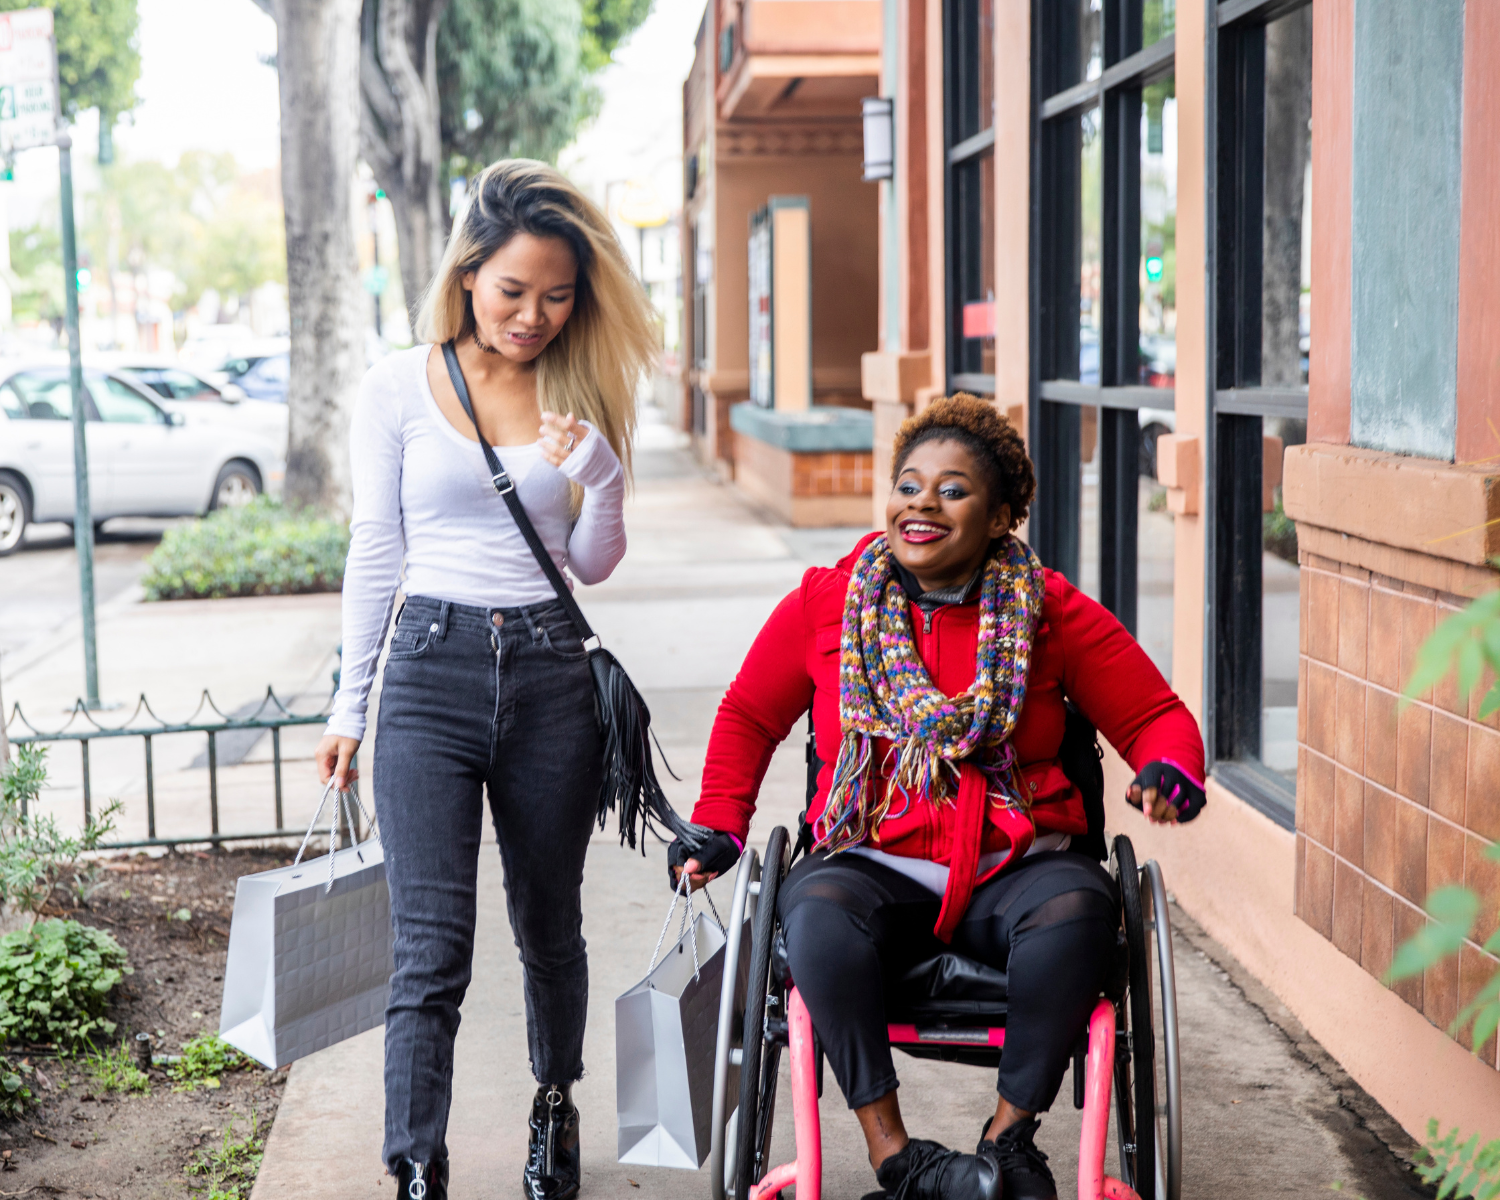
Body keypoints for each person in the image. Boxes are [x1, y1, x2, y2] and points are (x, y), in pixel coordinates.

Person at [668, 395, 1206, 1200]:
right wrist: (718, 822)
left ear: (999, 517)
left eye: (952, 489)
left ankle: (1009, 1142)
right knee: (813, 913)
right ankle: (900, 1159)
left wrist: (1170, 771)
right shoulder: (828, 602)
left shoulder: (1048, 611)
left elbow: (1157, 717)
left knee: (1080, 911)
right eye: (908, 484)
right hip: (871, 856)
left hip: (1015, 865)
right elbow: (748, 714)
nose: (921, 501)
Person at [316, 159, 658, 1200]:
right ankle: (415, 1159)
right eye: (514, 291)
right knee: (430, 946)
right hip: (428, 672)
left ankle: (554, 1108)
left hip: (553, 674)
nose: (534, 316)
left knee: (550, 922)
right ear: (469, 274)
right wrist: (350, 702)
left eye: (557, 296)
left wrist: (598, 476)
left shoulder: (582, 385)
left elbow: (593, 564)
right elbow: (377, 546)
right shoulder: (397, 384)